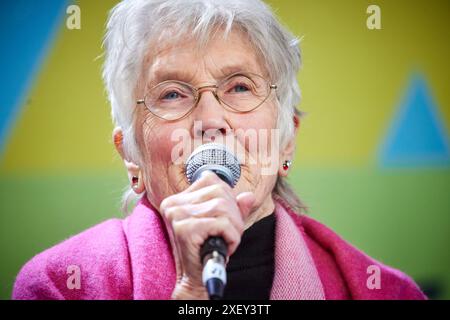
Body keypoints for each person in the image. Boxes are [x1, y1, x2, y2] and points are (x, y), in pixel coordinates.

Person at [13, 0, 426, 300]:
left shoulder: (385, 292)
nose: (210, 119)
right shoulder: (60, 285)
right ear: (130, 156)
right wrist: (190, 293)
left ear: (287, 140)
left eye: (240, 87)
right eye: (172, 94)